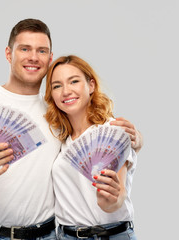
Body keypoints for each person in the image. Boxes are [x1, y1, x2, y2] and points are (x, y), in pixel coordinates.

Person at [0, 18, 143, 240]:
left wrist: (137, 140)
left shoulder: (58, 116)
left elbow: (114, 168)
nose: (33, 57)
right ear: (8, 54)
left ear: (49, 58)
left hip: (46, 235)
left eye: (41, 50)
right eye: (25, 48)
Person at [44, 55, 139, 240]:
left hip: (109, 234)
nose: (66, 91)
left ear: (91, 86)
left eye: (74, 81)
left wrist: (111, 200)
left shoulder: (112, 131)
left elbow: (117, 197)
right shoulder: (60, 140)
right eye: (57, 86)